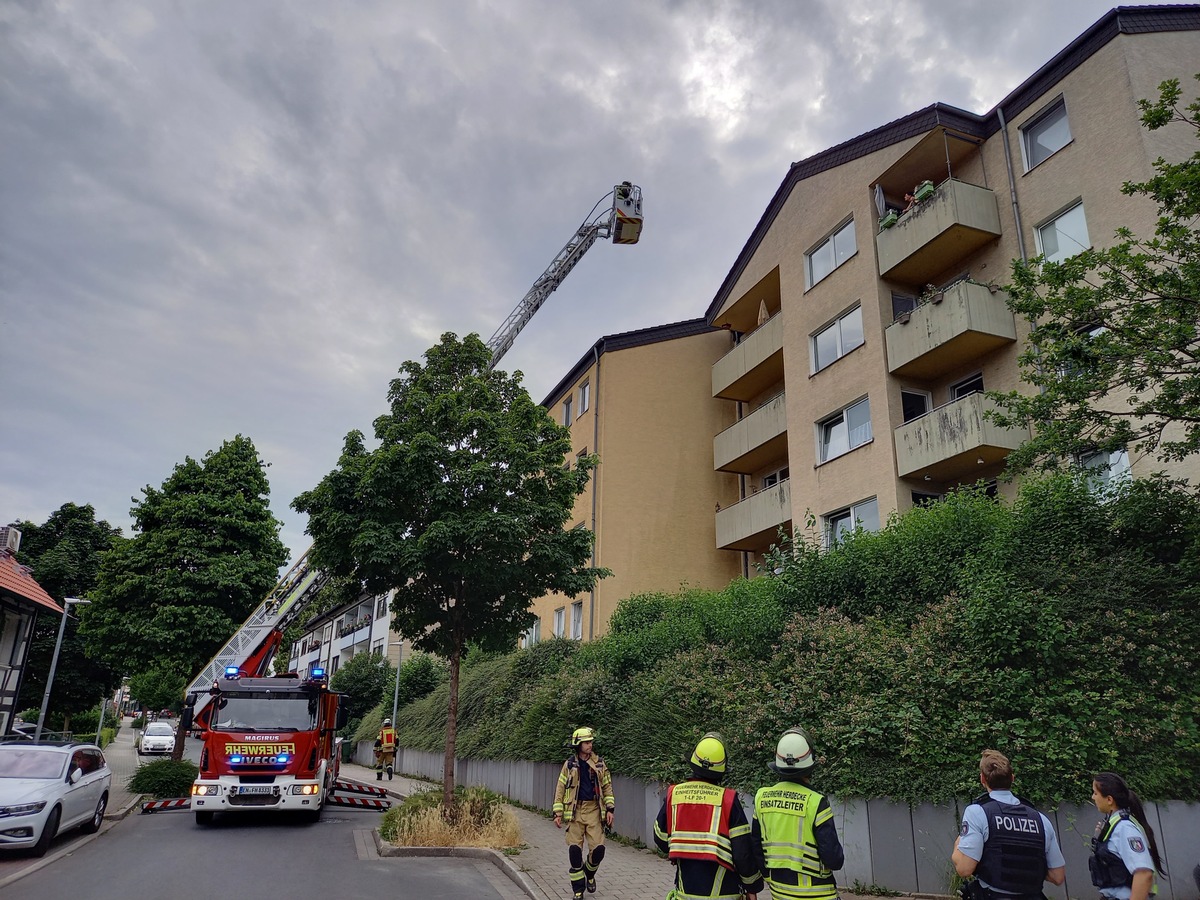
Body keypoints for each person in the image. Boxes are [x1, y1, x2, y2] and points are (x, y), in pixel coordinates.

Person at [655, 732, 762, 900]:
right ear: (722, 770)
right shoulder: (727, 799)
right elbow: (742, 853)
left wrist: (682, 852)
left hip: (686, 893)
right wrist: (752, 886)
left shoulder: (674, 794)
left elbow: (660, 837)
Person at [952, 750, 1065, 900]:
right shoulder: (1041, 820)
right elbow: (1057, 876)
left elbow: (965, 869)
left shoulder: (978, 813)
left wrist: (957, 846)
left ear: (982, 779)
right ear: (1012, 778)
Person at [751, 726, 843, 900]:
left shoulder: (761, 798)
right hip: (818, 894)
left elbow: (756, 847)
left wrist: (769, 877)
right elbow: (834, 860)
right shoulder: (816, 802)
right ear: (810, 765)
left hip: (779, 892)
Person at [553, 726, 615, 899]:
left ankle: (589, 873)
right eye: (586, 742)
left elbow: (607, 787)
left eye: (591, 742)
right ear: (578, 745)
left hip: (595, 810)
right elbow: (560, 788)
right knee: (574, 852)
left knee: (599, 850)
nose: (590, 745)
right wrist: (558, 812)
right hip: (575, 811)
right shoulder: (569, 765)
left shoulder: (600, 763)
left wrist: (610, 809)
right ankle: (578, 890)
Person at [1089, 772, 1166, 900]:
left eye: (1095, 793)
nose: (1093, 797)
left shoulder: (1125, 828)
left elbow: (1144, 874)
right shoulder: (1114, 824)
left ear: (1109, 799)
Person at [374, 717, 396, 781]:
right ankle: (389, 770)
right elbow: (397, 740)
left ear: (384, 724)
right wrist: (395, 748)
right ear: (390, 724)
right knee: (389, 763)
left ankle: (379, 777)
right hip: (390, 750)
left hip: (382, 750)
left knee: (379, 763)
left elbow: (378, 741)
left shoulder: (382, 732)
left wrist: (375, 749)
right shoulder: (393, 731)